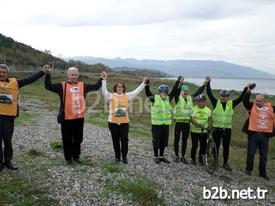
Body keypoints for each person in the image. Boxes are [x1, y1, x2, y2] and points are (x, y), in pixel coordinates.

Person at [44, 65, 103, 164]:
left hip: (79, 117)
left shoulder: (82, 85)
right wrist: (47, 75)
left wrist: (101, 78)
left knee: (78, 138)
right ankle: (68, 158)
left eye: (75, 74)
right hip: (66, 117)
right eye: (71, 74)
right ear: (68, 75)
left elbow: (96, 86)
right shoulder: (62, 86)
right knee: (66, 139)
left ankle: (76, 156)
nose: (73, 76)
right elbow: (48, 86)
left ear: (78, 75)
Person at [0, 64, 49, 171]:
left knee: (8, 141)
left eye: (4, 72)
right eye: (0, 72)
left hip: (9, 118)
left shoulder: (15, 83)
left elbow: (29, 79)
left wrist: (42, 72)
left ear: (7, 73)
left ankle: (8, 162)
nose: (2, 74)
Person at [101, 71, 148, 164]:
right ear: (115, 88)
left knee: (124, 140)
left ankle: (124, 157)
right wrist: (104, 80)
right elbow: (103, 91)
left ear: (123, 88)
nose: (120, 88)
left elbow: (136, 91)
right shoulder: (111, 96)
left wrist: (143, 83)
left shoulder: (127, 96)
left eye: (121, 86)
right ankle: (117, 157)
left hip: (124, 122)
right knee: (115, 140)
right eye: (118, 86)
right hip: (113, 122)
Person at [206, 76, 248, 171]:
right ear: (220, 96)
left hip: (227, 129)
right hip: (217, 129)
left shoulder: (231, 104)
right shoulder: (215, 102)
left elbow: (241, 98)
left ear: (227, 97)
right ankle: (215, 161)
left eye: (225, 96)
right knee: (215, 146)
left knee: (226, 147)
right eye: (222, 96)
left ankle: (225, 163)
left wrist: (246, 88)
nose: (223, 98)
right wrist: (208, 82)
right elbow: (209, 93)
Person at [242, 85, 274, 180]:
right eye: (257, 100)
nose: (258, 102)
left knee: (263, 155)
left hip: (264, 136)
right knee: (251, 153)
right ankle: (248, 169)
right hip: (253, 135)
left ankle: (262, 172)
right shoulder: (252, 106)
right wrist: (248, 91)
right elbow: (245, 102)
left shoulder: (270, 107)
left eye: (260, 101)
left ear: (264, 102)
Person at [173, 76, 206, 163]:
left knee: (184, 140)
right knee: (176, 140)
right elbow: (175, 91)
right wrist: (179, 83)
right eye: (184, 91)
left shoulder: (190, 98)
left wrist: (204, 84)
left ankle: (183, 156)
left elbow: (198, 92)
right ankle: (176, 156)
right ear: (181, 91)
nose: (186, 92)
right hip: (179, 123)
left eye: (187, 91)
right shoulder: (177, 98)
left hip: (187, 123)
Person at [145, 79, 179, 164]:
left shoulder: (168, 99)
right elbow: (148, 93)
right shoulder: (155, 98)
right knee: (156, 141)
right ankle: (156, 156)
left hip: (165, 125)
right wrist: (147, 85)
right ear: (159, 92)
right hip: (156, 125)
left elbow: (174, 91)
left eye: (166, 92)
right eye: (162, 91)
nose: (164, 93)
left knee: (163, 142)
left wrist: (178, 81)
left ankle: (161, 156)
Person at [190, 94, 212, 165]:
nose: (200, 103)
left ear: (204, 102)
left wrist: (209, 127)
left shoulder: (208, 110)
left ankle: (200, 158)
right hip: (194, 131)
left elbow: (209, 119)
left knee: (203, 146)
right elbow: (192, 119)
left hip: (204, 131)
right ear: (196, 102)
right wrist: (198, 124)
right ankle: (192, 158)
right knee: (195, 145)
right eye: (198, 101)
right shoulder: (193, 108)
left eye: (202, 101)